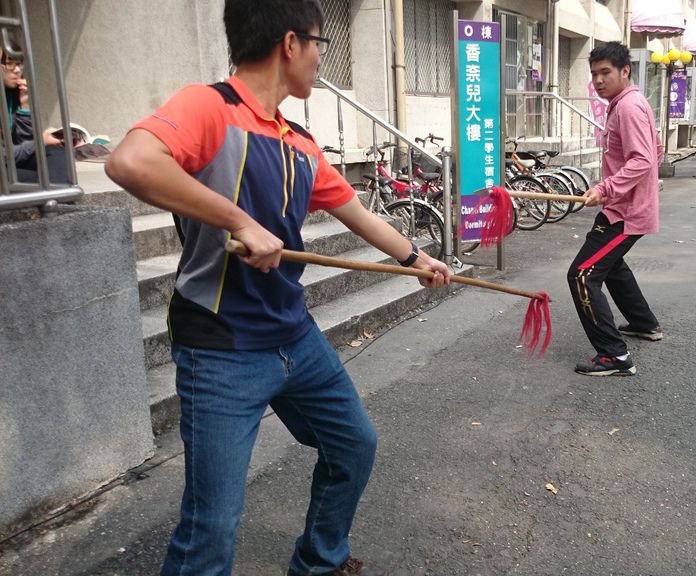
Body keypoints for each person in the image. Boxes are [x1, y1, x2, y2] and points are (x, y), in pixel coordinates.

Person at [104, 1, 451, 574]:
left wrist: (417, 258)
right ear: (291, 43)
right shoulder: (209, 107)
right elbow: (131, 162)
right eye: (320, 44)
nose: (321, 59)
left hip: (295, 337)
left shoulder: (300, 142)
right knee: (211, 524)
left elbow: (358, 214)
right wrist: (238, 221)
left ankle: (319, 562)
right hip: (221, 347)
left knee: (352, 447)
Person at [569, 41, 661, 377]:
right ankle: (643, 322)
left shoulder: (628, 107)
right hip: (622, 206)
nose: (599, 80)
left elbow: (643, 158)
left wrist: (607, 188)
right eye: (594, 74)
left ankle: (614, 355)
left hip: (626, 212)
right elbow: (656, 148)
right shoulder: (626, 103)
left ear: (625, 71)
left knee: (581, 275)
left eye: (606, 72)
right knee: (611, 264)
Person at [2, 42, 72, 184]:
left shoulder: (13, 93)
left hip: (11, 164)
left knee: (56, 152)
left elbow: (24, 145)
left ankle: (54, 192)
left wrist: (25, 105)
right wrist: (39, 142)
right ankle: (56, 192)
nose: (17, 70)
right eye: (10, 64)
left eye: (19, 64)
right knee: (47, 178)